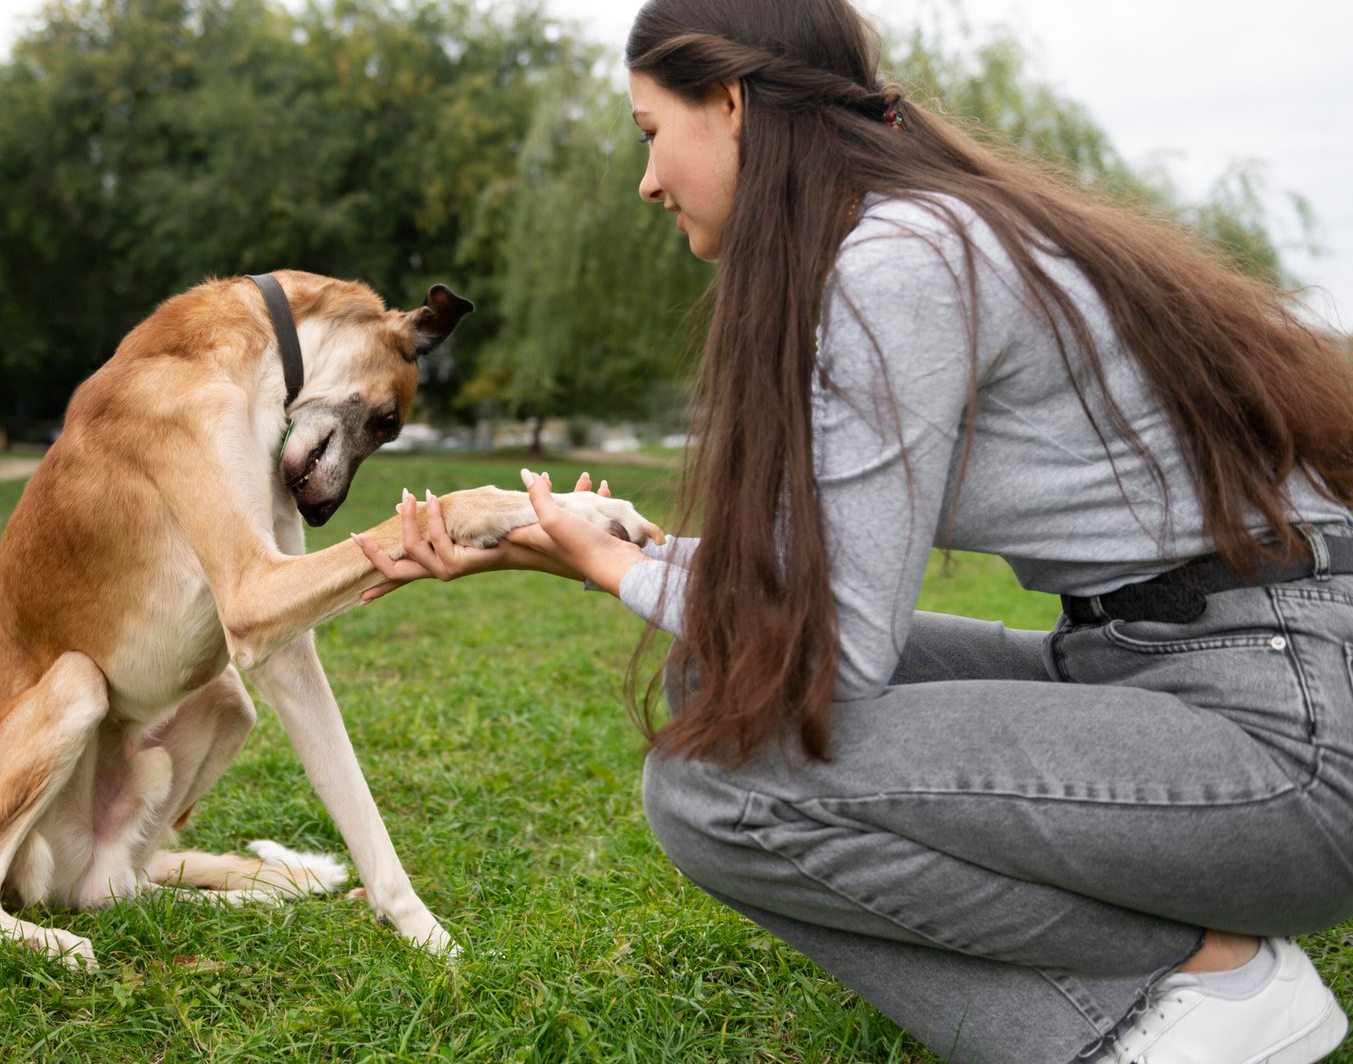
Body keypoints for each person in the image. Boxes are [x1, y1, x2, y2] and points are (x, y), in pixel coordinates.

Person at [353, 0, 1353, 1060]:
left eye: (651, 132)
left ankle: (1194, 991)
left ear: (730, 102)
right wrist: (601, 551)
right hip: (1173, 662)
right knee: (712, 693)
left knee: (713, 784)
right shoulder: (916, 237)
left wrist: (607, 564)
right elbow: (804, 582)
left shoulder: (903, 262)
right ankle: (1193, 975)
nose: (645, 181)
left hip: (1283, 735)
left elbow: (827, 637)